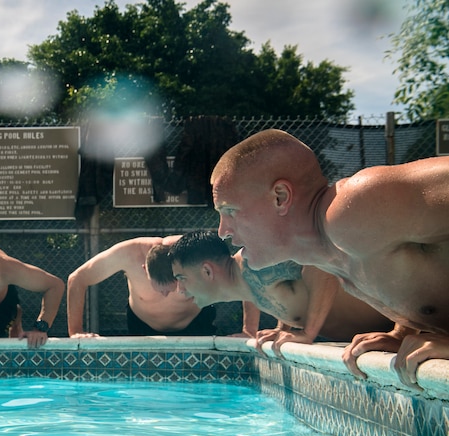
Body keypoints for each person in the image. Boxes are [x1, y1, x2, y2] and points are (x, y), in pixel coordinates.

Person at [211, 128, 449, 389]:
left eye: (230, 210)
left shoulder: (356, 206)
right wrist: (402, 333)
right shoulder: (332, 257)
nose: (223, 230)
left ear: (280, 197)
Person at [168, 230, 393, 351]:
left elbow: (319, 263)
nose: (180, 289)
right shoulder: (246, 281)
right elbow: (281, 292)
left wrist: (308, 333)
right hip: (385, 331)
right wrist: (283, 326)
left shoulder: (256, 262)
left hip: (407, 324)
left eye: (181, 278)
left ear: (207, 271)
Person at [67, 236, 216, 337]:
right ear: (144, 269)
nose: (165, 295)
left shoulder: (196, 254)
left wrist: (241, 330)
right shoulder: (128, 254)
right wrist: (75, 332)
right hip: (142, 326)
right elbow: (77, 278)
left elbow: (237, 271)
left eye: (172, 287)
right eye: (160, 288)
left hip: (196, 323)